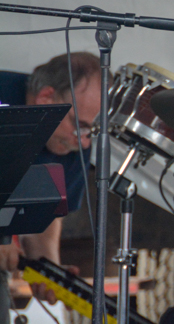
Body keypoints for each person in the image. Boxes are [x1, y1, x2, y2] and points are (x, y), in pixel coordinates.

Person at [0, 52, 102, 320]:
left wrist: (47, 266)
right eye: (79, 126)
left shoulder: (73, 142)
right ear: (45, 98)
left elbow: (44, 213)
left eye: (91, 131)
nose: (84, 142)